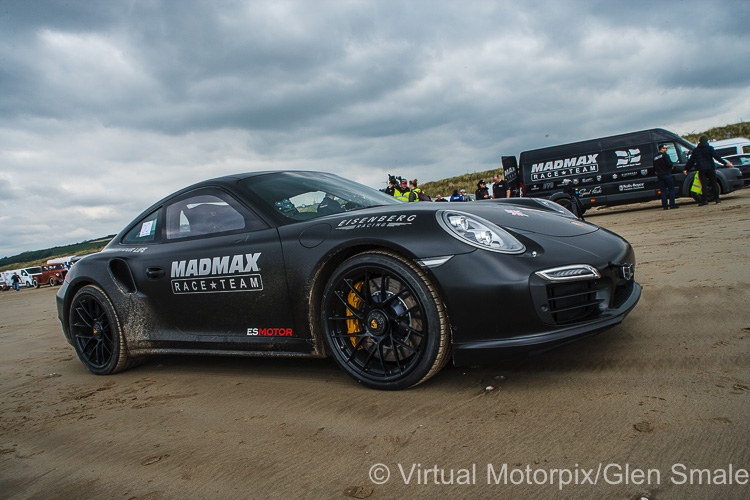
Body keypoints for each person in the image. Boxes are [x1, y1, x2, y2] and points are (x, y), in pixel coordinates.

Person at [686, 135, 734, 205]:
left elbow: (691, 161)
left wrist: (686, 169)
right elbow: (716, 157)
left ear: (699, 141)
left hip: (701, 169)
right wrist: (725, 163)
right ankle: (717, 199)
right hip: (710, 168)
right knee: (713, 184)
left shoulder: (696, 151)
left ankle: (705, 201)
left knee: (704, 185)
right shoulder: (710, 148)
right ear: (707, 141)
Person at [653, 144, 678, 210]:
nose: (666, 150)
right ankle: (672, 204)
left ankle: (665, 206)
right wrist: (671, 167)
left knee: (663, 191)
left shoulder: (655, 157)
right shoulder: (665, 155)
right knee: (671, 189)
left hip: (660, 176)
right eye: (665, 148)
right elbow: (669, 164)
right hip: (667, 174)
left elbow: (654, 167)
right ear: (661, 148)